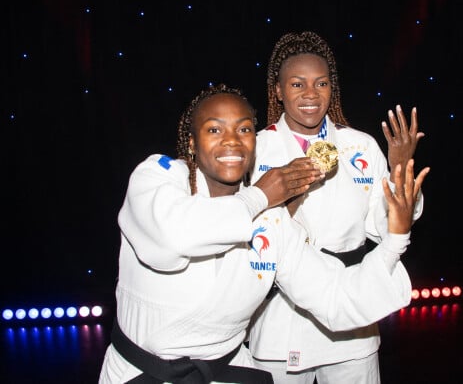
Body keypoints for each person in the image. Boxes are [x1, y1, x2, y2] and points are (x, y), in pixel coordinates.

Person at [98, 83, 428, 383]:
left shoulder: (274, 224)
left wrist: (395, 239)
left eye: (244, 129)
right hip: (139, 373)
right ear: (192, 141)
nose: (232, 139)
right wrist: (260, 195)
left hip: (225, 373)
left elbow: (335, 298)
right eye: (214, 129)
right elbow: (174, 238)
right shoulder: (157, 177)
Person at [248, 31, 426, 384]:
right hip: (281, 318)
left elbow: (384, 225)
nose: (311, 94)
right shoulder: (256, 148)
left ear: (333, 88)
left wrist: (398, 172)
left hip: (351, 311)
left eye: (321, 83)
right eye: (297, 85)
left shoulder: (360, 145)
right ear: (278, 91)